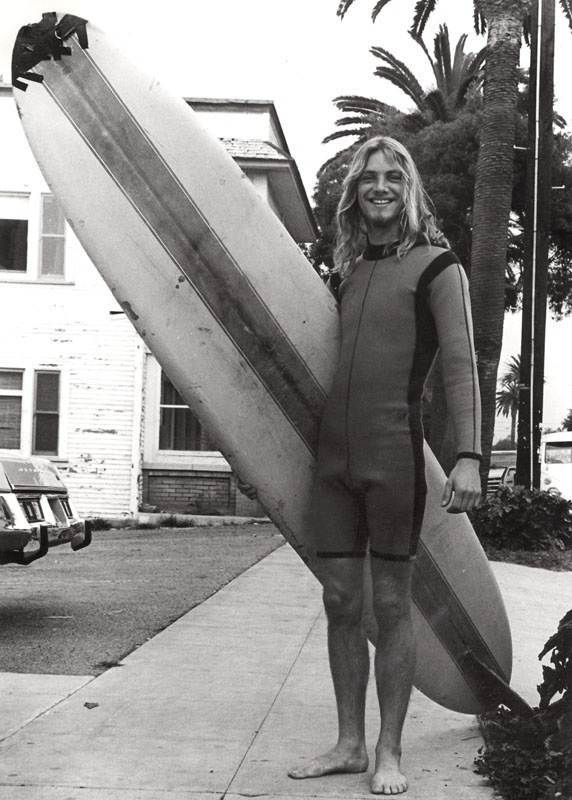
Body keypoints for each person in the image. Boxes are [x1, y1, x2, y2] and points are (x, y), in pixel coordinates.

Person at [287, 135, 482, 795]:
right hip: (334, 463)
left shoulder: (437, 267)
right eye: (367, 177)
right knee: (340, 600)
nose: (378, 187)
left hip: (394, 456)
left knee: (391, 606)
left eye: (391, 178)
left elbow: (460, 364)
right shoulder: (347, 273)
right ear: (354, 193)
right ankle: (349, 743)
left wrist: (470, 458)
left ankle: (389, 750)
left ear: (409, 190)